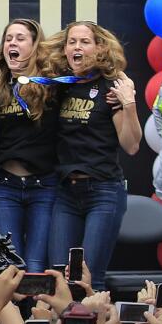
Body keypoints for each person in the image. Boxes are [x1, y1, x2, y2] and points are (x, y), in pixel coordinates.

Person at [39, 22, 141, 290]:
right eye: (72, 42)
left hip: (103, 191)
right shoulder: (60, 86)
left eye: (84, 42)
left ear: (99, 48)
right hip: (66, 193)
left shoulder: (112, 87)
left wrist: (128, 103)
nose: (77, 47)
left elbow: (131, 146)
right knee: (60, 278)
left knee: (89, 279)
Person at [0, 18, 57, 270]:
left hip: (44, 185)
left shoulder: (50, 83)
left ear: (35, 45)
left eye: (20, 38)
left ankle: (36, 312)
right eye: (8, 39)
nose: (12, 43)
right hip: (5, 186)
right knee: (10, 265)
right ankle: (14, 311)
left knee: (35, 264)